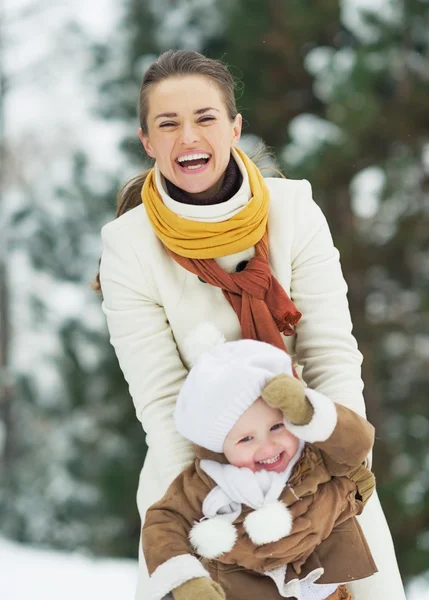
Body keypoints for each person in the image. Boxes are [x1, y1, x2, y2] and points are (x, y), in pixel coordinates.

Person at [97, 49, 405, 599]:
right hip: (201, 485)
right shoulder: (127, 246)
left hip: (320, 467)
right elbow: (162, 401)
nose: (188, 137)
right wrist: (205, 516)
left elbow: (333, 354)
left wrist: (343, 464)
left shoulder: (295, 208)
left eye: (205, 118)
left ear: (234, 128)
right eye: (167, 124)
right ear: (147, 141)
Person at [142, 335, 377, 600]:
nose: (268, 447)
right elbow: (164, 522)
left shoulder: (311, 454)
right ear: (220, 446)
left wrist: (308, 412)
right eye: (246, 439)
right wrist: (186, 582)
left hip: (322, 588)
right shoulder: (207, 481)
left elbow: (356, 445)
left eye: (277, 426)